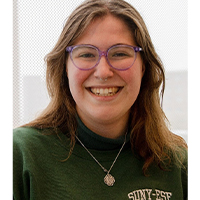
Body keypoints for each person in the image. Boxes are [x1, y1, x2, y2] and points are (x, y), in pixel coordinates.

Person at [13, 0, 187, 199]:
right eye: (86, 54)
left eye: (120, 53)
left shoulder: (178, 165)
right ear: (65, 69)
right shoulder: (19, 155)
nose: (103, 72)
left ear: (143, 67)